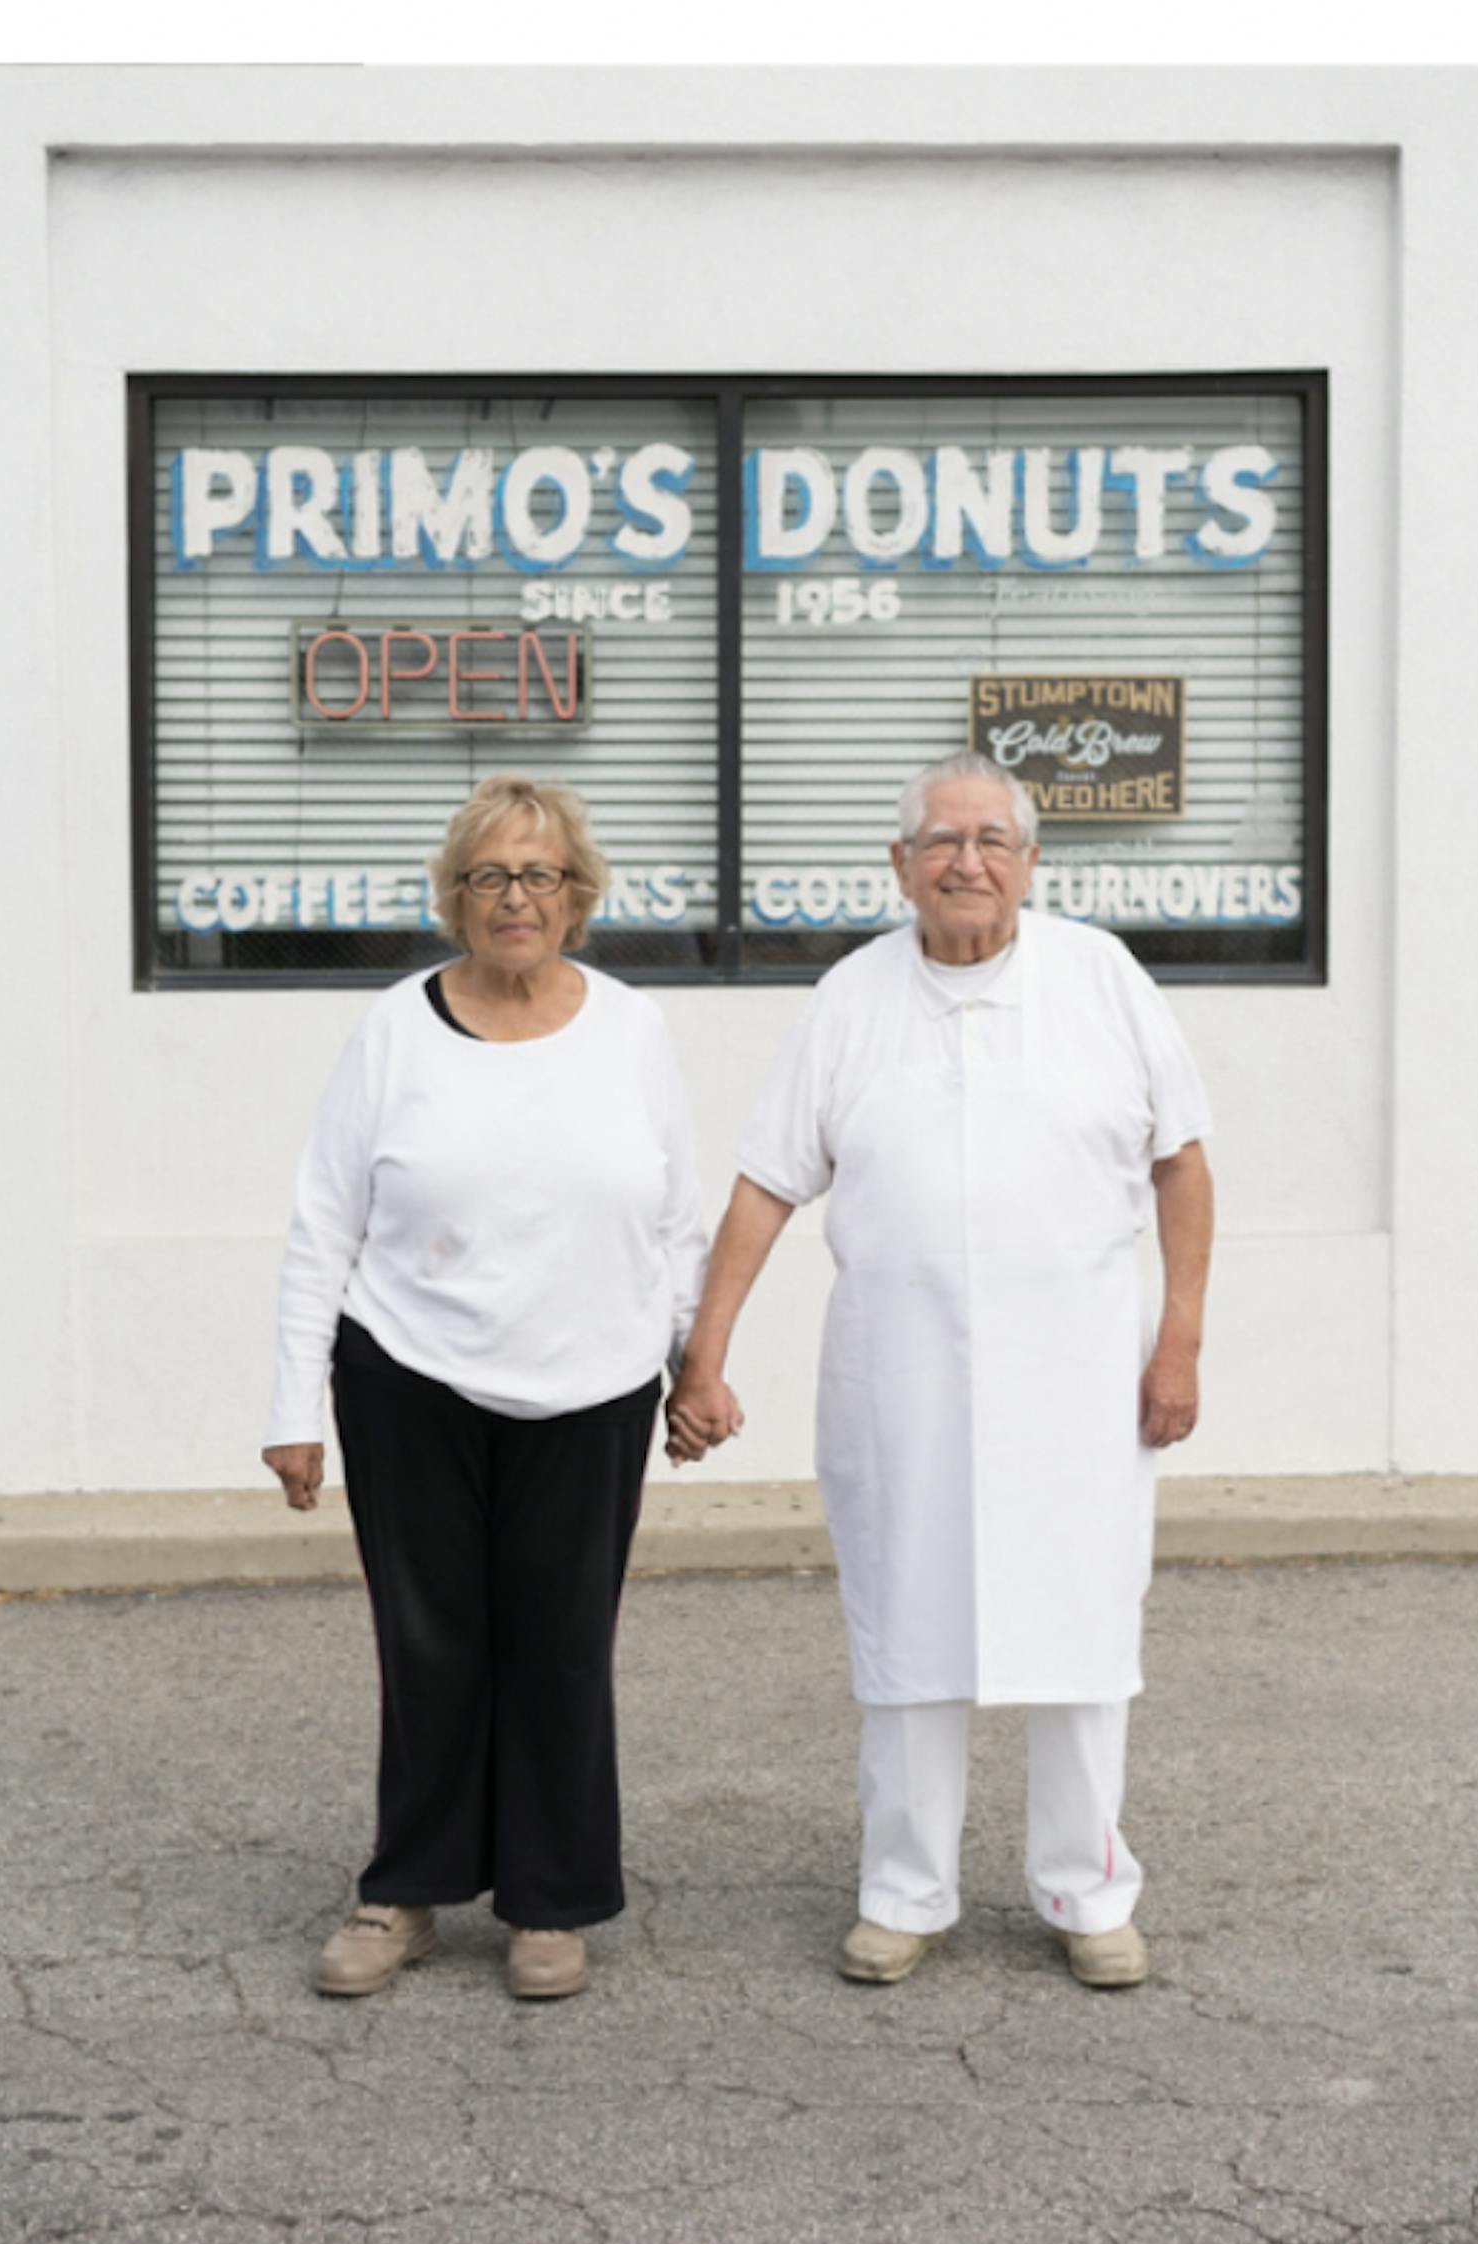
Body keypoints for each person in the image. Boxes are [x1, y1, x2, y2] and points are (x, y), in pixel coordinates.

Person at [664, 749, 1213, 1992]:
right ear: (899, 864)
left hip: (1080, 1380)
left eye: (993, 840)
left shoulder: (1102, 979)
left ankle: (1088, 1889)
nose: (968, 861)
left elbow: (1182, 1164)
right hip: (901, 1374)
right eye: (942, 840)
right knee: (910, 1622)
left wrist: (1177, 1338)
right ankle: (904, 1890)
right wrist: (706, 1350)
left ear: (1031, 862)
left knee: (1080, 1626)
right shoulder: (851, 997)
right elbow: (765, 1183)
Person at [261, 778, 706, 2003]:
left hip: (596, 1380)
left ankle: (550, 1902)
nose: (519, 897)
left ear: (580, 896)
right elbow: (322, 1223)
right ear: (455, 897)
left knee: (563, 1647)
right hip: (410, 1372)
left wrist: (695, 1364)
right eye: (492, 877)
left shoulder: (631, 1028)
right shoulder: (394, 1028)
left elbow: (673, 1220)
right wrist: (294, 1406)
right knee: (429, 1639)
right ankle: (403, 1889)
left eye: (542, 876)